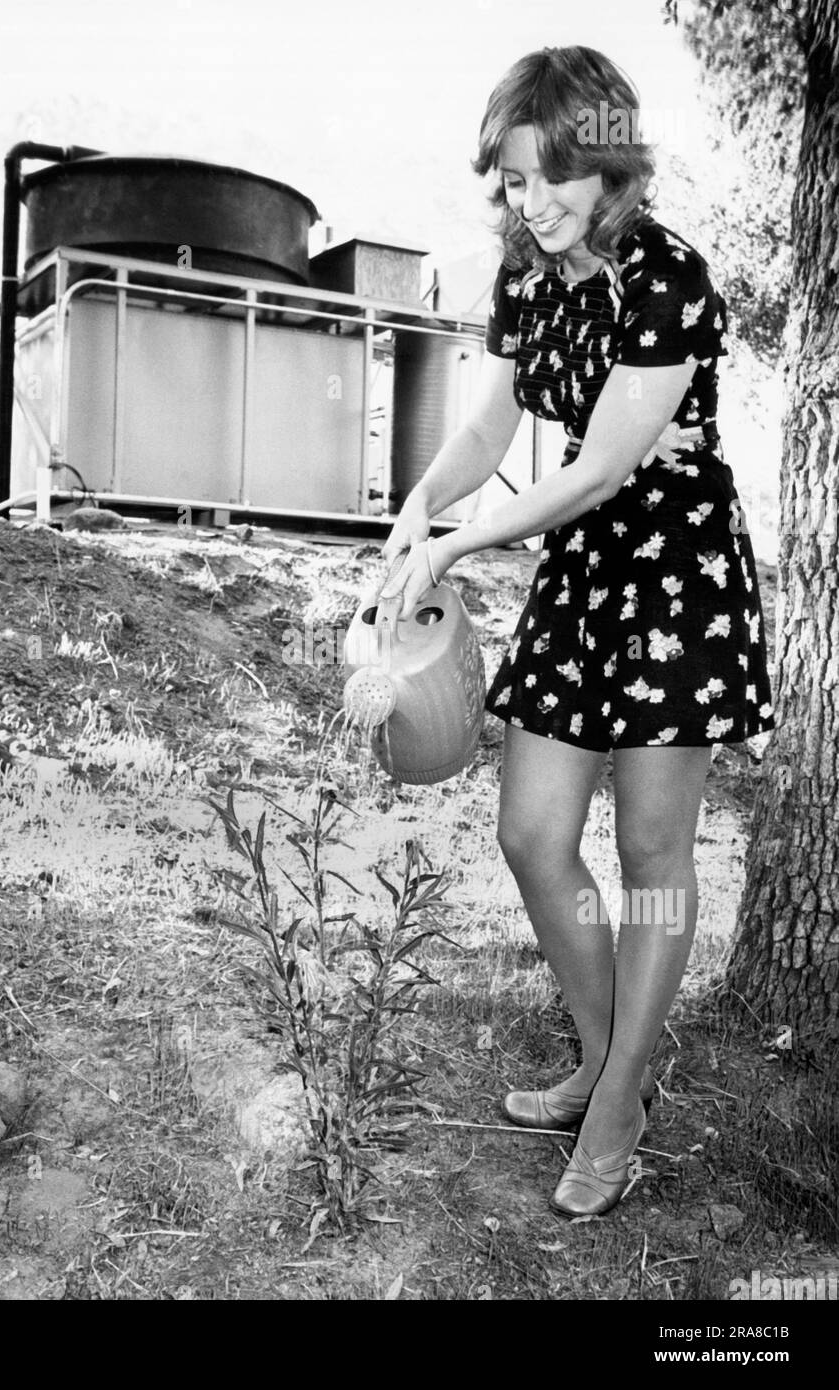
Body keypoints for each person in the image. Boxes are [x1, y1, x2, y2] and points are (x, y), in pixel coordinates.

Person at [375, 45, 775, 1217]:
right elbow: (490, 431)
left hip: (675, 582)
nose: (533, 202)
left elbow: (603, 466)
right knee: (532, 832)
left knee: (654, 860)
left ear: (608, 169)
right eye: (512, 180)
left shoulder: (671, 277)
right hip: (582, 573)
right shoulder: (524, 275)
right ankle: (615, 1065)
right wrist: (418, 505)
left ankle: (611, 1108)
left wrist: (456, 549)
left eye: (555, 177)